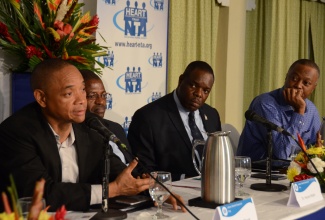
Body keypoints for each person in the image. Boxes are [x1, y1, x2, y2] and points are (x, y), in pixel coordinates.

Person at [0, 59, 184, 212]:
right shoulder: (17, 132)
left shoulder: (90, 125)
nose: (81, 100)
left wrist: (153, 189)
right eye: (69, 93)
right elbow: (42, 194)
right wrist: (110, 190)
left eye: (82, 90)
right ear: (42, 98)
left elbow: (116, 172)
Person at [127, 61, 222, 181]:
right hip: (173, 191)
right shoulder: (147, 117)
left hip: (213, 187)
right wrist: (185, 179)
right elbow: (143, 169)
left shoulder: (212, 114)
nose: (199, 94)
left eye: (205, 91)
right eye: (193, 85)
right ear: (181, 80)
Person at [237, 59, 321, 161]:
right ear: (286, 77)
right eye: (294, 78)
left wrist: (317, 152)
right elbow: (282, 154)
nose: (298, 85)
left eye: (306, 83)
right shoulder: (265, 103)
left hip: (292, 172)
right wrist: (299, 112)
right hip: (257, 171)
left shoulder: (312, 110)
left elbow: (313, 152)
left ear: (313, 88)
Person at [80, 69, 133, 164]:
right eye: (92, 96)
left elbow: (132, 165)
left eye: (103, 95)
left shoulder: (116, 128)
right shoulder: (76, 134)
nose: (100, 101)